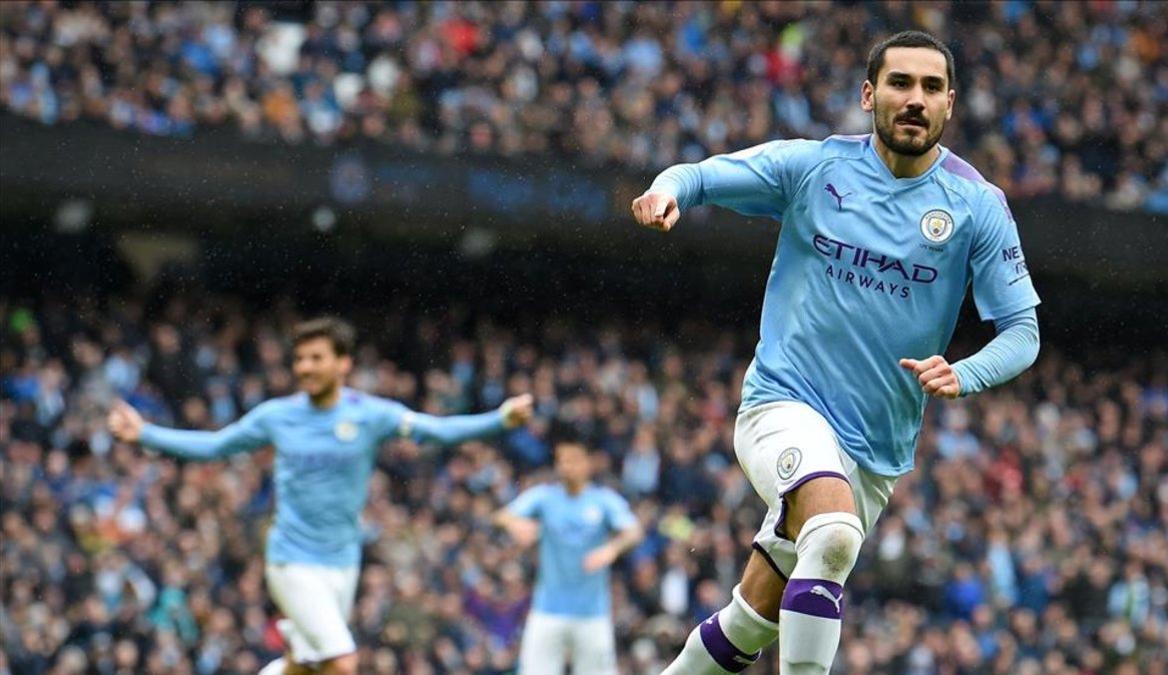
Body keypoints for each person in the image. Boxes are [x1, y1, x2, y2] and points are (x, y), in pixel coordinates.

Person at [632, 31, 1042, 675]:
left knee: (751, 621)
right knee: (834, 533)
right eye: (901, 84)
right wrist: (667, 192)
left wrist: (965, 373)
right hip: (783, 405)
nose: (915, 100)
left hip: (877, 449)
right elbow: (702, 174)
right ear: (868, 94)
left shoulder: (977, 207)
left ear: (950, 104)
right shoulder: (814, 167)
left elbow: (1022, 331)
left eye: (931, 88)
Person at [108, 317, 534, 675]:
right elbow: (216, 446)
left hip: (342, 563)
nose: (305, 367)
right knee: (342, 662)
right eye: (299, 359)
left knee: (307, 667)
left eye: (316, 358)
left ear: (343, 363)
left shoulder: (369, 415)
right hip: (292, 559)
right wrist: (145, 433)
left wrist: (500, 420)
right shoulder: (278, 416)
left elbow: (434, 430)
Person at [494, 438, 644, 675]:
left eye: (573, 460)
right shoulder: (544, 497)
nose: (567, 467)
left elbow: (634, 531)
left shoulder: (603, 500)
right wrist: (516, 524)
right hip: (547, 609)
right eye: (562, 461)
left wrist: (612, 548)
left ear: (587, 464)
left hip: (592, 612)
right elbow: (502, 515)